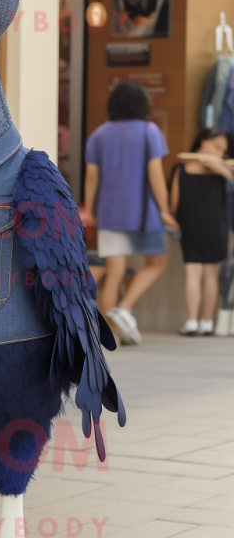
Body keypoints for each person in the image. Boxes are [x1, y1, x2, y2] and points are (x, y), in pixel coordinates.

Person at [84, 82, 179, 344]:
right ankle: (124, 309)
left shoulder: (99, 134)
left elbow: (92, 177)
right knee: (157, 263)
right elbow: (155, 173)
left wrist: (90, 210)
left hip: (109, 213)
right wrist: (165, 210)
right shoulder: (150, 131)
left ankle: (107, 335)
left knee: (115, 271)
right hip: (143, 215)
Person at [170, 128, 233, 335]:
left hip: (212, 227)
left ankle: (202, 323)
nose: (219, 154)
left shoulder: (222, 170)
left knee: (207, 274)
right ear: (203, 142)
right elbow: (174, 202)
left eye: (223, 151)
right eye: (216, 147)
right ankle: (196, 322)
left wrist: (224, 171)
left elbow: (174, 203)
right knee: (197, 273)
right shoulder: (181, 167)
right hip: (195, 226)